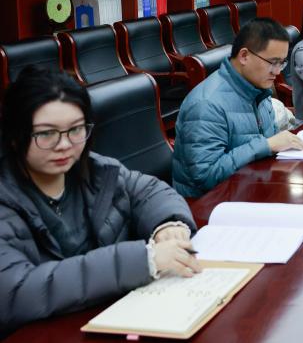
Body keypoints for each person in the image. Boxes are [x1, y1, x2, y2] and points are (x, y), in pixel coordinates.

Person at [0, 67, 201, 334]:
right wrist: (144, 260)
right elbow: (16, 291)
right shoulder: (6, 198)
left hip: (117, 316)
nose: (64, 145)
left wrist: (168, 224)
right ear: (15, 137)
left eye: (75, 130)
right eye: (46, 134)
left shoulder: (96, 170)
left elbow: (149, 191)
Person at [172, 18, 303, 198]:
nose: (277, 72)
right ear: (244, 56)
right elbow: (205, 176)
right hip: (210, 203)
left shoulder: (258, 89)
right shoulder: (207, 105)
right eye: (272, 62)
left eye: (281, 63)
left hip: (252, 187)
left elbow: (271, 145)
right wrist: (265, 145)